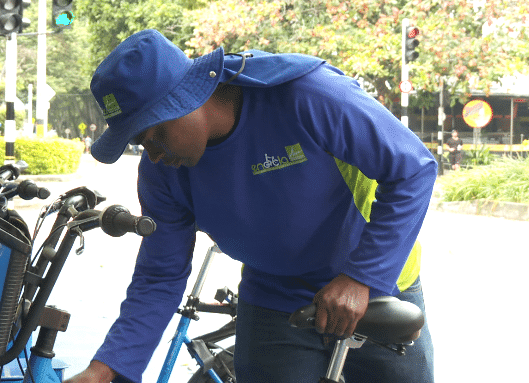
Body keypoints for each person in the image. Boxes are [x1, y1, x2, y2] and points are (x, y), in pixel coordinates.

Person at [66, 30, 436, 383]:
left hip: (378, 286)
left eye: (155, 134)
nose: (155, 153)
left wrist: (362, 278)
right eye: (140, 143)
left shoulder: (306, 95)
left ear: (188, 96)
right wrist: (105, 367)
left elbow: (413, 170)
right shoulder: (163, 172)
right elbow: (160, 274)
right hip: (278, 299)